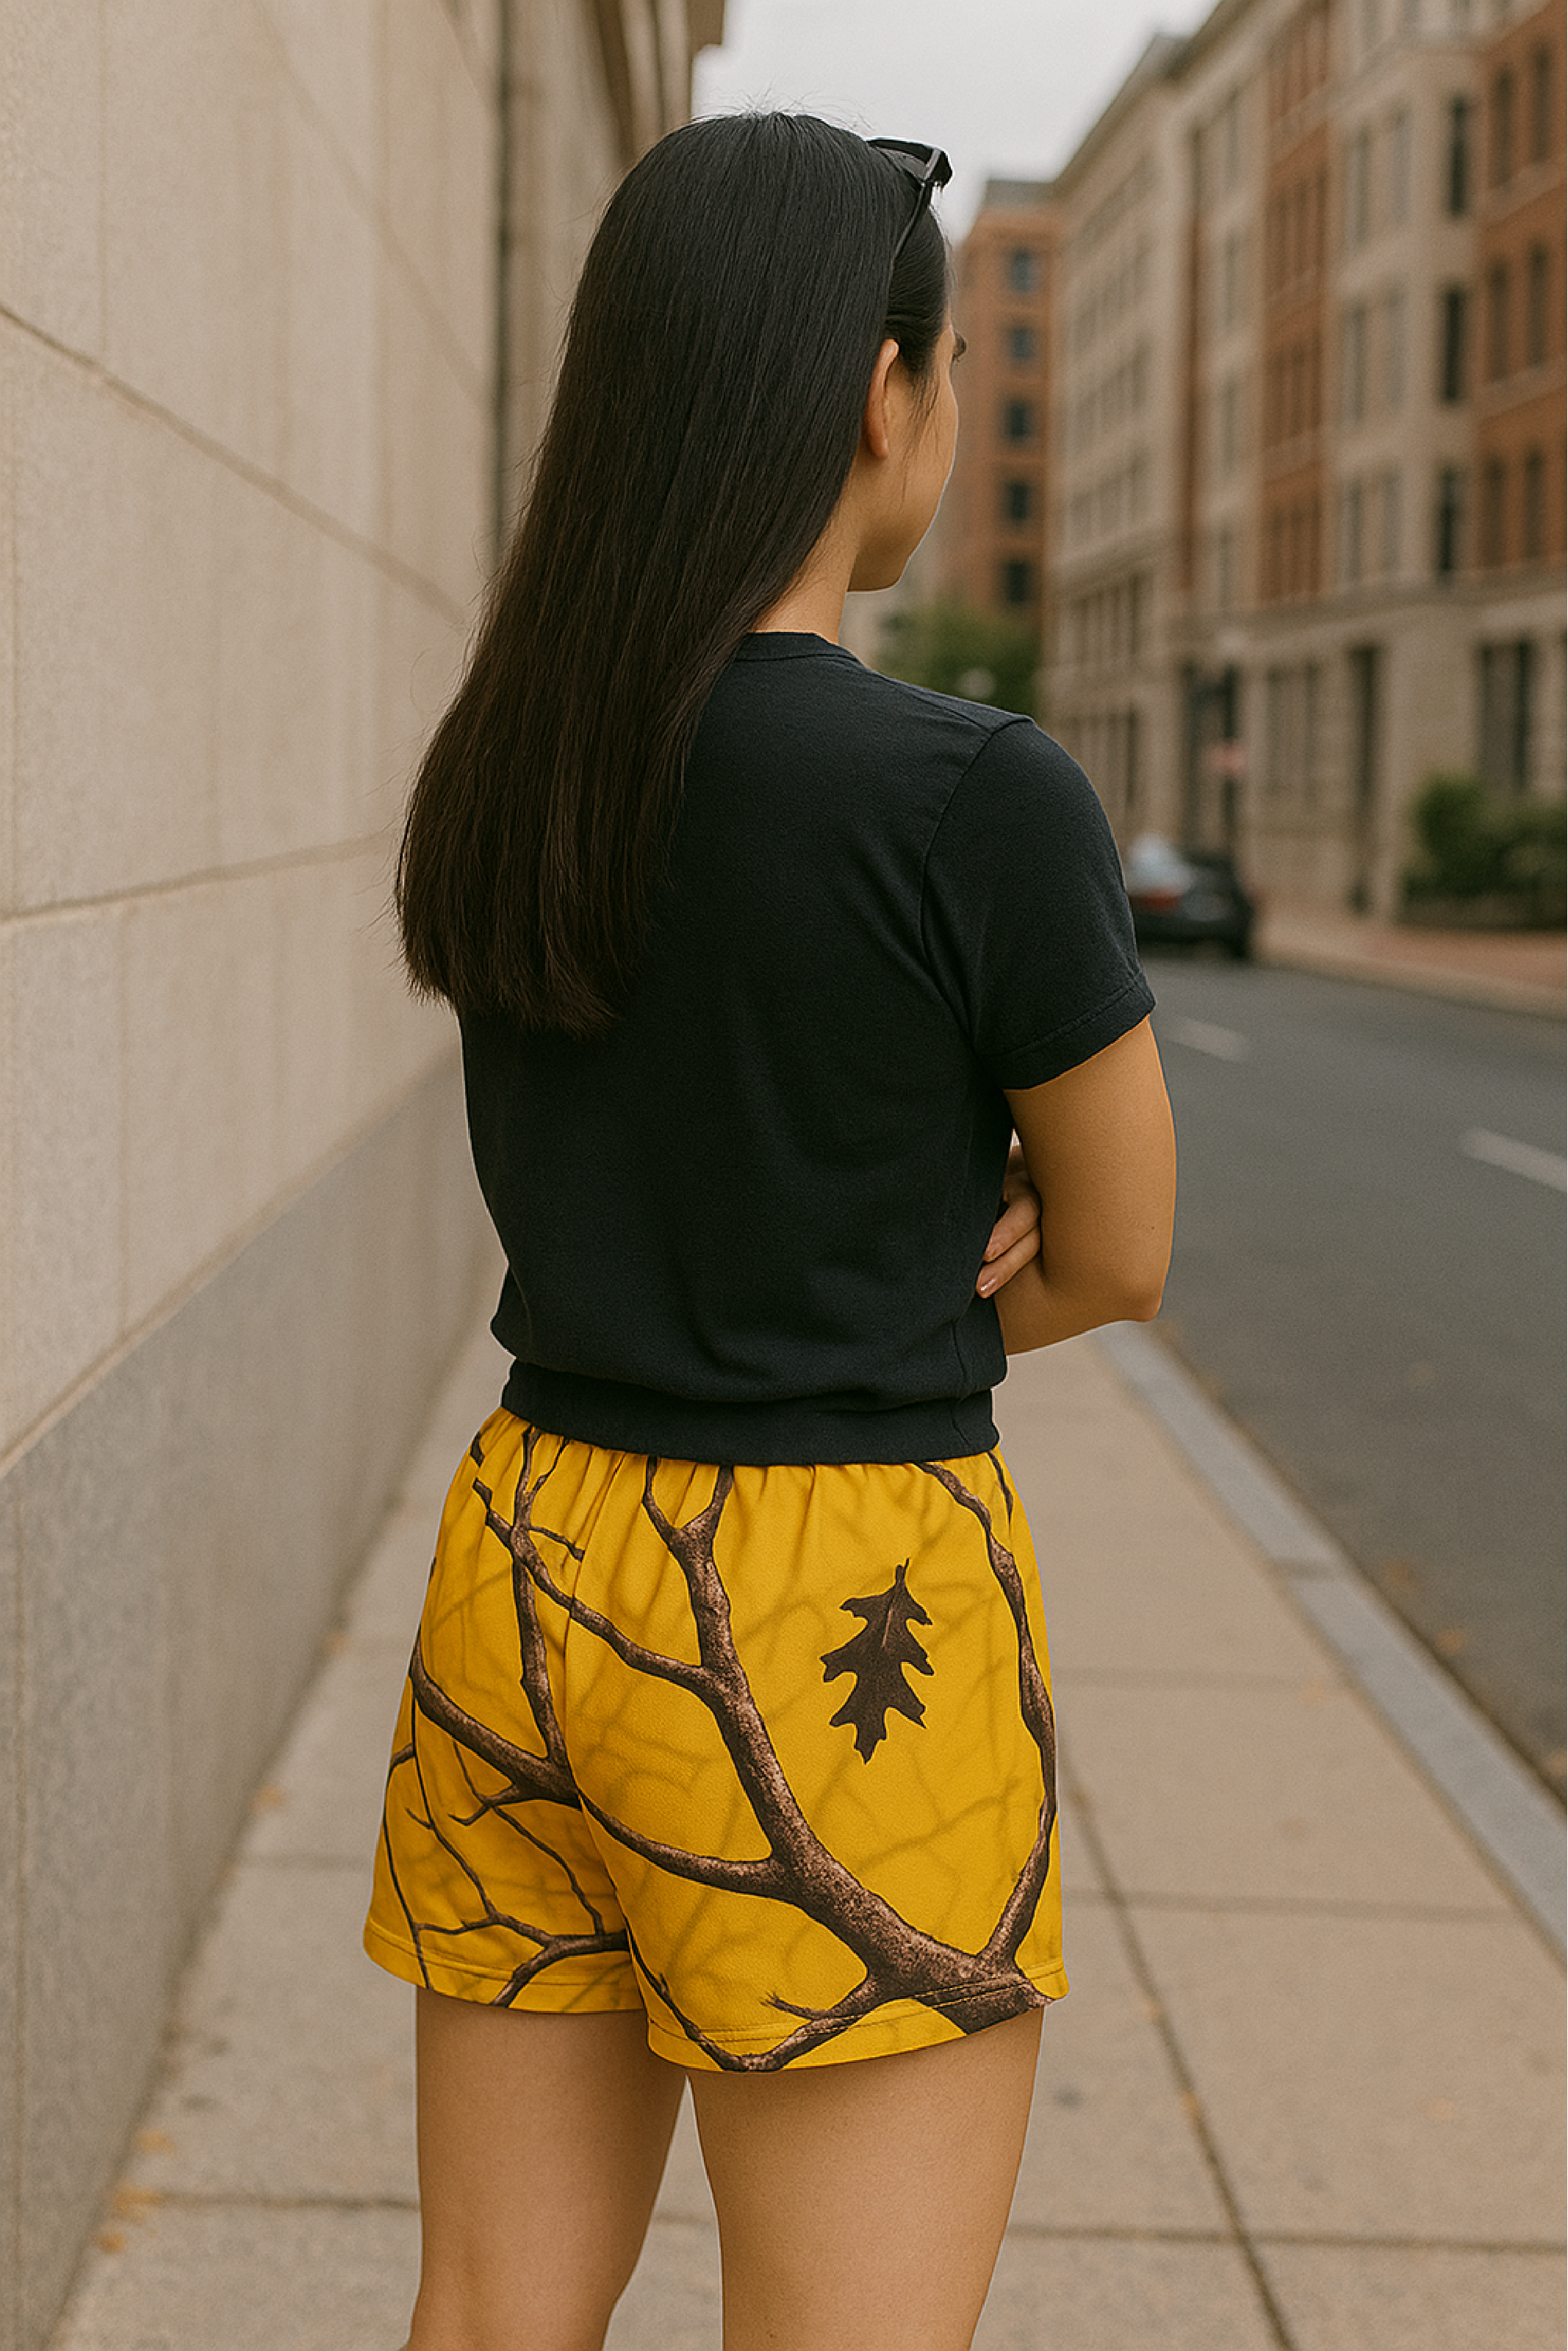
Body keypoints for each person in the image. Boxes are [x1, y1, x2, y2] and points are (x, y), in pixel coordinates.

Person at [365, 111, 1176, 2351]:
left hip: (528, 1558)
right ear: (878, 395)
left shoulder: (515, 760)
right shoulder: (972, 796)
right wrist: (909, 1266)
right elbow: (1122, 1244)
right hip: (840, 1600)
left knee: (487, 2312)